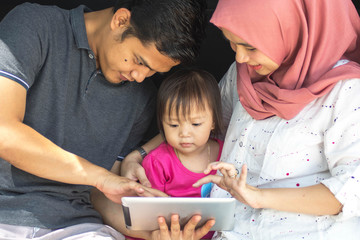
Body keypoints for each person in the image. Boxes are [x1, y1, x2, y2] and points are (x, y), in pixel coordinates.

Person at [122, 0, 360, 239]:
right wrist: (138, 154)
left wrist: (257, 196)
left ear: (292, 30)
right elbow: (201, 121)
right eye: (233, 44)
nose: (241, 57)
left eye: (250, 46)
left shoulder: (347, 91)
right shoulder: (243, 73)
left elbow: (352, 190)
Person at [0, 0, 207, 239]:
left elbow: (101, 194)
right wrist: (100, 177)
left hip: (80, 228)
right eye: (140, 61)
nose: (140, 77)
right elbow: (5, 132)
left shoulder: (143, 98)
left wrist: (152, 234)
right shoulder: (34, 25)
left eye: (153, 72)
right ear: (120, 20)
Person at [129, 68, 224, 240]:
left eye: (195, 124)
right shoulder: (158, 162)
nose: (184, 133)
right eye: (173, 125)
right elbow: (147, 215)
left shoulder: (227, 154)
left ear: (213, 121)